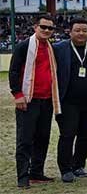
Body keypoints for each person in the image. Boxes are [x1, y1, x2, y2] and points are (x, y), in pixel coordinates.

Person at [52, 18, 87, 182]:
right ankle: (65, 169)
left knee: (85, 135)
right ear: (70, 32)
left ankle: (78, 166)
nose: (81, 33)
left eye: (85, 30)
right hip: (68, 101)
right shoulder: (59, 48)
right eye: (77, 30)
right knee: (67, 135)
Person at [9, 15, 59, 188]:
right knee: (25, 139)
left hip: (46, 100)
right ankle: (23, 177)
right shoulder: (24, 46)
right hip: (28, 100)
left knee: (43, 138)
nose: (46, 30)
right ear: (35, 27)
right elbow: (14, 70)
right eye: (43, 27)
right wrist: (17, 94)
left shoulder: (51, 47)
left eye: (50, 28)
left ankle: (37, 173)